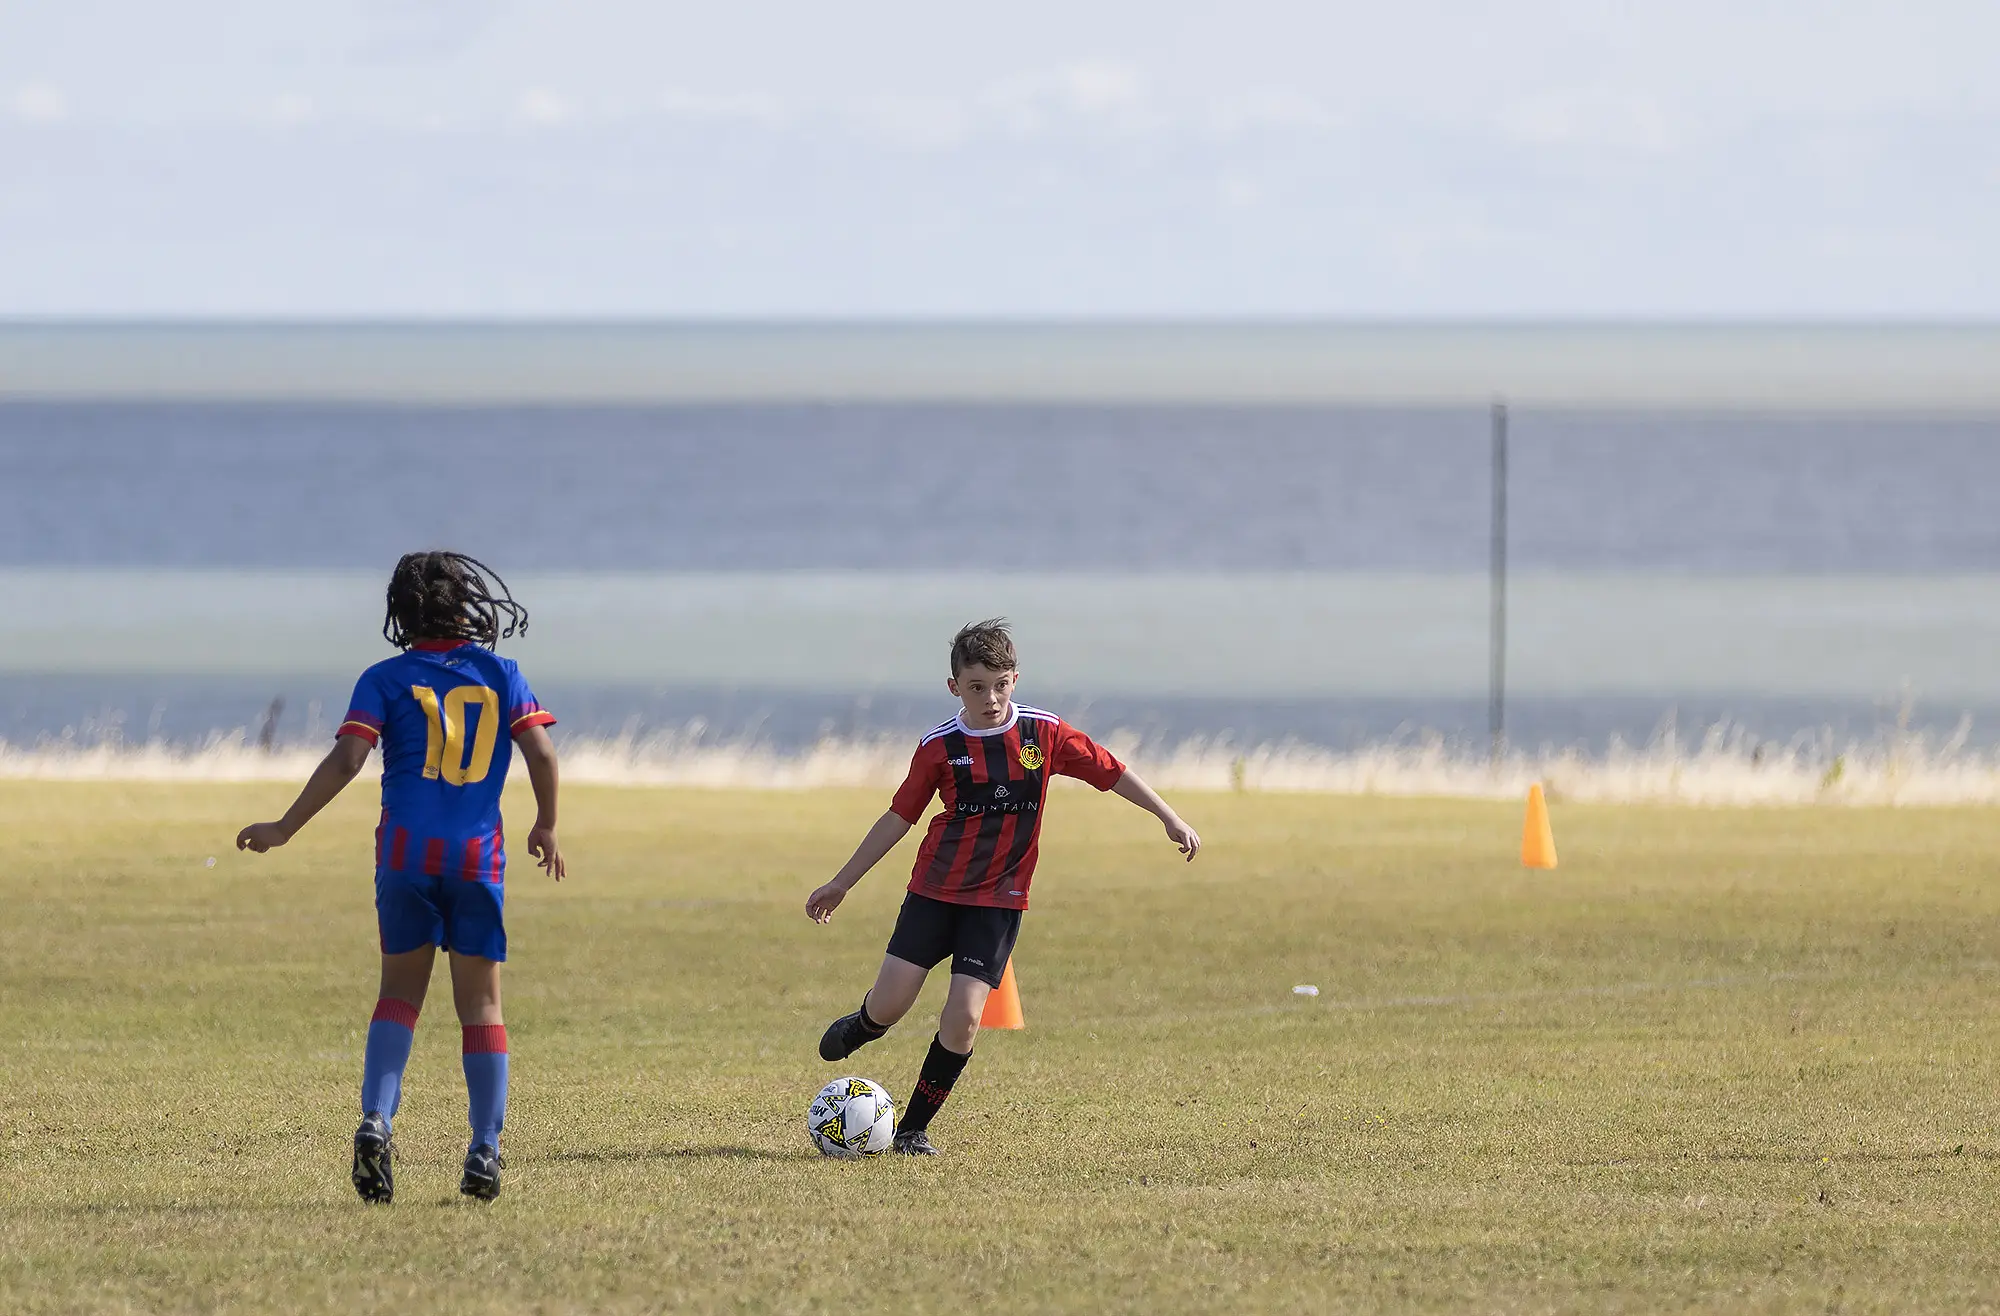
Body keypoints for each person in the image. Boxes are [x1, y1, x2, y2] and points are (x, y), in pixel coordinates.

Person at [235, 551, 563, 1203]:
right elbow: (543, 752)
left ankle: (377, 1120)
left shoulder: (384, 678)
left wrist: (285, 826)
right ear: (469, 604)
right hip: (477, 860)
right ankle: (485, 1149)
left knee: (399, 998)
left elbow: (349, 758)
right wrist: (546, 825)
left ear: (399, 613)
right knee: (482, 1006)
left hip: (406, 858)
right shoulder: (502, 673)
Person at [806, 618, 1200, 1154]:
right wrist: (841, 883)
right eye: (975, 687)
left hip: (997, 902)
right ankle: (865, 1024)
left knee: (965, 1017)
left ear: (1015, 678)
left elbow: (1112, 771)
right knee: (893, 1005)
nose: (990, 698)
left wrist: (1168, 817)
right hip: (934, 892)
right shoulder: (940, 747)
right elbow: (899, 817)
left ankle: (913, 1129)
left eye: (1000, 684)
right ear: (954, 688)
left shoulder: (1044, 734)